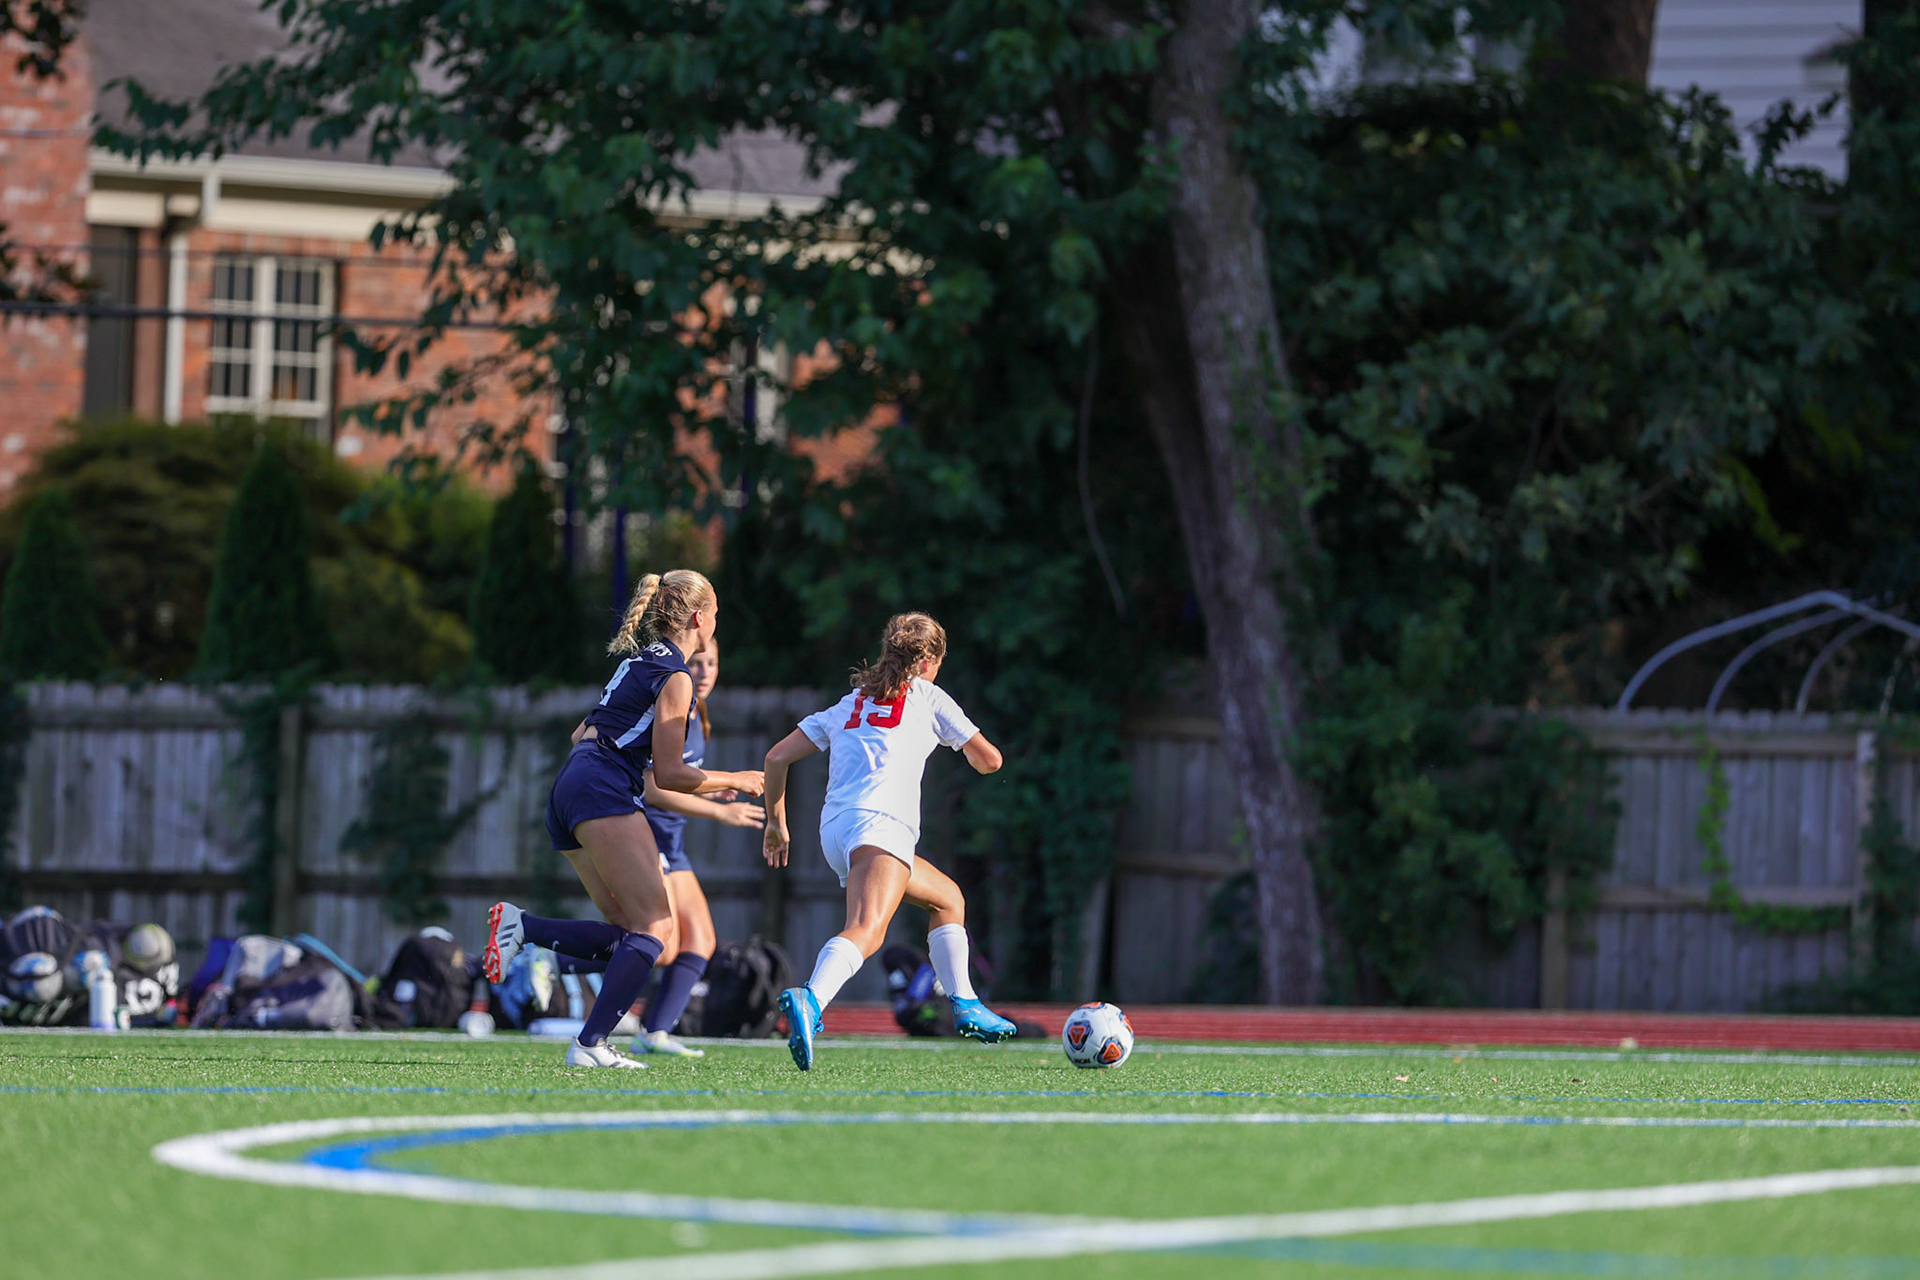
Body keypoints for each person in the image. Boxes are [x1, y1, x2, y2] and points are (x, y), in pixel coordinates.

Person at [483, 570, 764, 1069]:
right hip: (601, 788)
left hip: (571, 784)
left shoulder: (638, 662)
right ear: (699, 617)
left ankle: (524, 929)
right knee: (656, 928)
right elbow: (672, 775)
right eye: (716, 610)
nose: (717, 620)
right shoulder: (676, 676)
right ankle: (590, 1044)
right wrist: (736, 780)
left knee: (633, 935)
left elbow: (579, 735)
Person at [761, 611, 1016, 1071]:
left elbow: (776, 757)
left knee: (947, 900)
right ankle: (811, 1000)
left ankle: (966, 1004)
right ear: (930, 660)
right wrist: (964, 749)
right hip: (882, 825)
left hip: (836, 830)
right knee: (867, 928)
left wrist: (776, 823)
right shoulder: (928, 695)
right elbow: (990, 760)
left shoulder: (850, 702)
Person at [631, 638, 766, 1057]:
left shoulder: (698, 712)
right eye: (698, 663)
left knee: (701, 942)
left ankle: (653, 1033)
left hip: (673, 842)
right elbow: (653, 789)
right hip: (645, 834)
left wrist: (711, 794)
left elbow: (684, 778)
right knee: (661, 948)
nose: (705, 672)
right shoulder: (674, 704)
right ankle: (545, 953)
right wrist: (721, 811)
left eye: (713, 664)